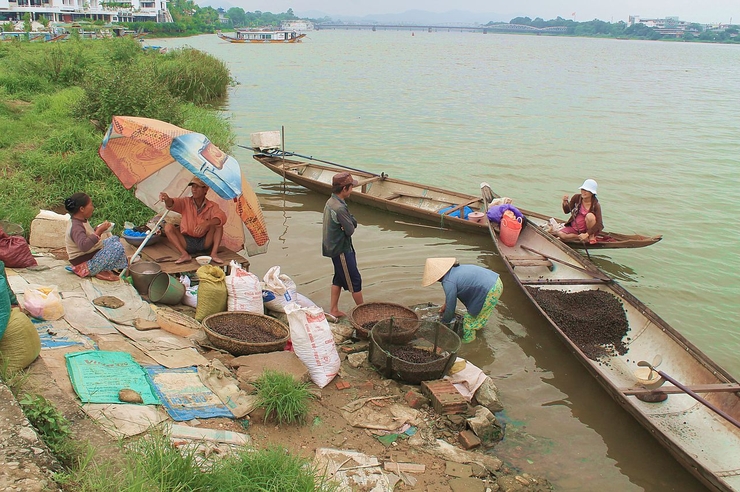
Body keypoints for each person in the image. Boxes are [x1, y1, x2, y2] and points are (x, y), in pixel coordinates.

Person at [422, 258, 503, 343]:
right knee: (477, 316)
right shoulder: (454, 271)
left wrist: (444, 323)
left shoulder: (448, 281)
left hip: (490, 290)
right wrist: (444, 307)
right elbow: (451, 297)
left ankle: (469, 343)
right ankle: (477, 329)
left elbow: (451, 306)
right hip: (496, 282)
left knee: (468, 321)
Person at [322, 172, 364, 318]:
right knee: (355, 280)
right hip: (341, 249)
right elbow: (351, 229)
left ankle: (333, 309)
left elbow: (351, 223)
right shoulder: (339, 208)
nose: (352, 190)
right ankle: (363, 313)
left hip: (333, 248)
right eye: (351, 187)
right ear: (345, 189)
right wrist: (349, 222)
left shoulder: (331, 202)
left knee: (339, 278)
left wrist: (349, 222)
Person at [159, 177, 227, 265]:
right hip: (187, 241)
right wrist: (167, 199)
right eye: (193, 187)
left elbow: (222, 217)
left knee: (218, 224)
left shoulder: (212, 205)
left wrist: (207, 223)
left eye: (197, 187)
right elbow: (172, 203)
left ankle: (214, 254)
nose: (194, 190)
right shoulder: (185, 202)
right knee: (168, 227)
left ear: (205, 190)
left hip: (204, 242)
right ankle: (184, 254)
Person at [64, 193, 128, 282]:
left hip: (90, 254)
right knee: (117, 247)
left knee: (114, 239)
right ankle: (96, 270)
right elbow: (84, 246)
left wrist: (98, 229)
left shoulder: (80, 220)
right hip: (84, 263)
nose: (93, 208)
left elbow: (87, 236)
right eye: (91, 205)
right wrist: (98, 231)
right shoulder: (76, 227)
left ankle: (101, 269)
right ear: (82, 209)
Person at [556, 178, 603, 245]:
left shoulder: (596, 205)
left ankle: (590, 236)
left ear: (592, 193)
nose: (583, 192)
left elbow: (599, 224)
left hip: (588, 231)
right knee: (560, 234)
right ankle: (580, 237)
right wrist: (564, 202)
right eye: (583, 189)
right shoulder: (576, 198)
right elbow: (567, 211)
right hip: (575, 229)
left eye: (586, 190)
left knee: (590, 216)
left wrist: (587, 234)